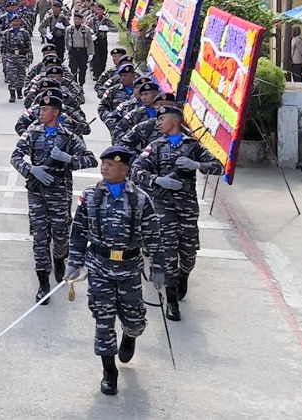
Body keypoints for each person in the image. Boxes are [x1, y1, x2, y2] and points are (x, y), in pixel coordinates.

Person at [65, 145, 166, 396]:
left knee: (134, 320)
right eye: (103, 164)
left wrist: (159, 267)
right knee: (103, 321)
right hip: (99, 268)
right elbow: (78, 232)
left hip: (129, 269)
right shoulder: (89, 197)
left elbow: (153, 236)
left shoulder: (140, 199)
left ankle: (130, 336)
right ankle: (109, 371)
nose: (105, 168)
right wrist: (73, 263)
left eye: (111, 164)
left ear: (125, 168)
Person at [131, 104, 221, 320]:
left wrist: (196, 164)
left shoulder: (193, 146)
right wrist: (157, 180)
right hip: (163, 208)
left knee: (188, 254)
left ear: (175, 121)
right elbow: (136, 170)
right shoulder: (155, 147)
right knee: (168, 254)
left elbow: (218, 166)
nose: (159, 123)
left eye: (163, 119)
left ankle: (184, 275)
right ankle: (171, 301)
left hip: (187, 208)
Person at [11, 94, 98, 304]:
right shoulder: (32, 132)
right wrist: (31, 169)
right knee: (40, 238)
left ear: (56, 112)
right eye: (40, 109)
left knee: (60, 237)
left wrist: (68, 159)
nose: (40, 112)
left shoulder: (69, 136)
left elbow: (91, 160)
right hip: (37, 192)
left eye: (44, 110)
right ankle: (43, 283)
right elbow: (15, 156)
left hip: (60, 193)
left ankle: (59, 261)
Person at [0, 14, 32, 102]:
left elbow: (28, 46)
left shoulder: (25, 33)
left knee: (21, 76)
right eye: (14, 21)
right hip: (10, 57)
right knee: (11, 76)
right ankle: (12, 94)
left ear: (20, 22)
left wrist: (30, 57)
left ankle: (19, 91)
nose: (16, 23)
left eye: (17, 21)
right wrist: (3, 57)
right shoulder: (7, 33)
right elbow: (2, 46)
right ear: (11, 22)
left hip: (21, 57)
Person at [65, 13, 94, 88]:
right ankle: (74, 85)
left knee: (82, 69)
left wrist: (91, 53)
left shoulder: (86, 29)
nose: (77, 21)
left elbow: (90, 41)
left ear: (82, 20)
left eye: (79, 19)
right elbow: (67, 40)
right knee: (73, 68)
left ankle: (81, 84)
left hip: (83, 51)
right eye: (75, 19)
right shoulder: (69, 29)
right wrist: (68, 49)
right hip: (73, 51)